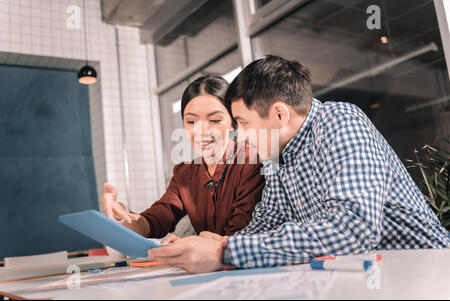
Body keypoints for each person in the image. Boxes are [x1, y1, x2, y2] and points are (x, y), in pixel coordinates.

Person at [147, 55, 450, 274]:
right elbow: (268, 220)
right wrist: (220, 243)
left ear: (279, 115)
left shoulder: (341, 123)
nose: (239, 135)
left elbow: (352, 228)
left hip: (426, 271)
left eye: (243, 123)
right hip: (367, 274)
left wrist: (225, 251)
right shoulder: (277, 155)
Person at [102, 76, 265, 240]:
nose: (202, 131)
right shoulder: (184, 173)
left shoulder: (252, 162)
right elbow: (155, 220)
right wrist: (122, 216)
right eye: (192, 121)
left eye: (214, 120)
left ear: (232, 122)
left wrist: (190, 243)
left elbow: (241, 234)